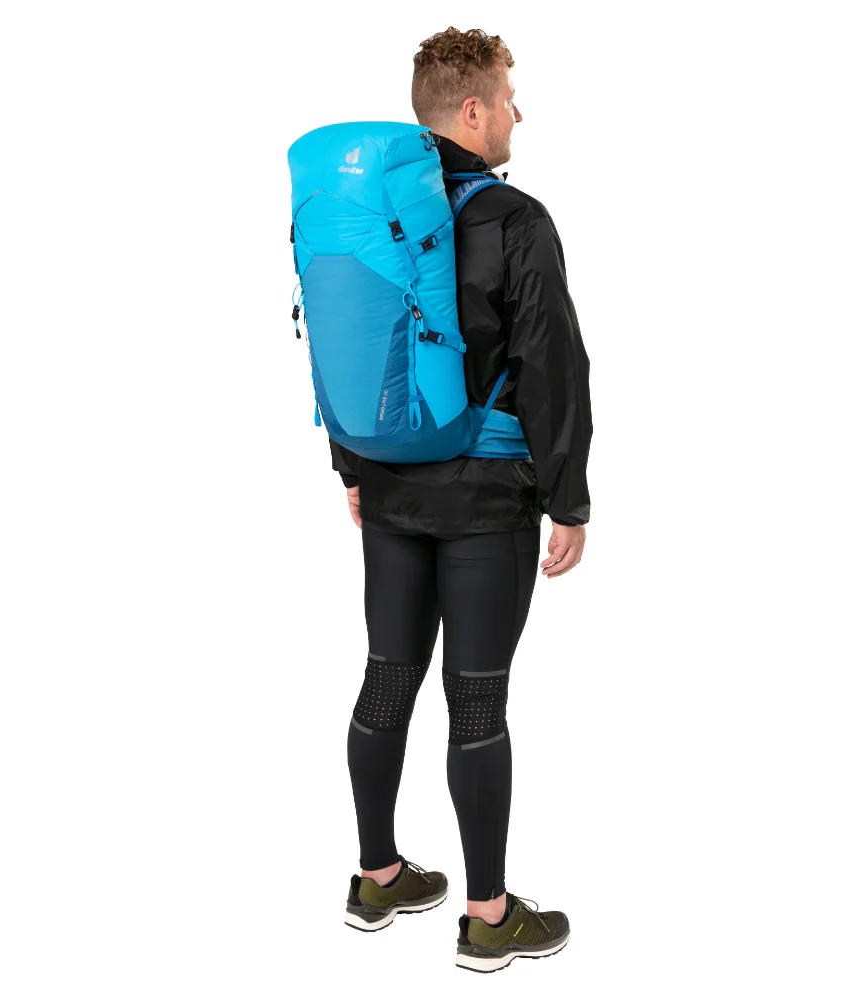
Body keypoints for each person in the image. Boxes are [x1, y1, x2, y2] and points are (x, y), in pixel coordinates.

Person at [335, 27, 592, 973]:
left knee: (386, 677)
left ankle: (376, 877)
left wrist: (352, 469)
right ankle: (488, 919)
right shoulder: (515, 220)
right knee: (476, 701)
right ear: (474, 111)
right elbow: (553, 365)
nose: (521, 111)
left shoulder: (368, 212)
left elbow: (349, 343)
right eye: (510, 96)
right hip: (486, 498)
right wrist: (569, 498)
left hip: (389, 484)